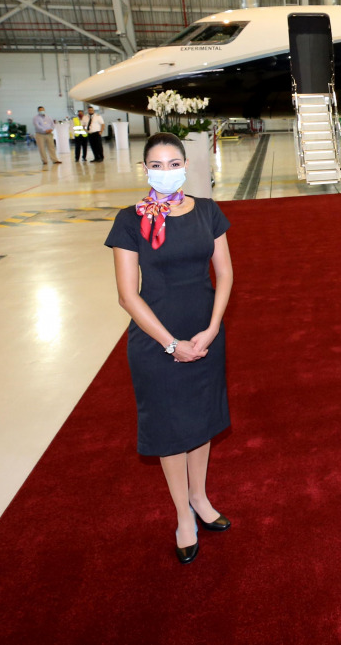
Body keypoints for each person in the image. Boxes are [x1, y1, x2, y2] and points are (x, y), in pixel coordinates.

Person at [104, 132, 234, 564]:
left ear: (186, 165)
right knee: (171, 428)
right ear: (144, 169)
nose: (165, 172)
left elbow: (225, 274)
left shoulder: (208, 211)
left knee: (201, 420)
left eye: (173, 163)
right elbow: (127, 295)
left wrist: (212, 329)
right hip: (157, 339)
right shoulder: (129, 220)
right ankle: (183, 514)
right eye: (156, 165)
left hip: (204, 332)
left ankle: (200, 497)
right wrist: (170, 344)